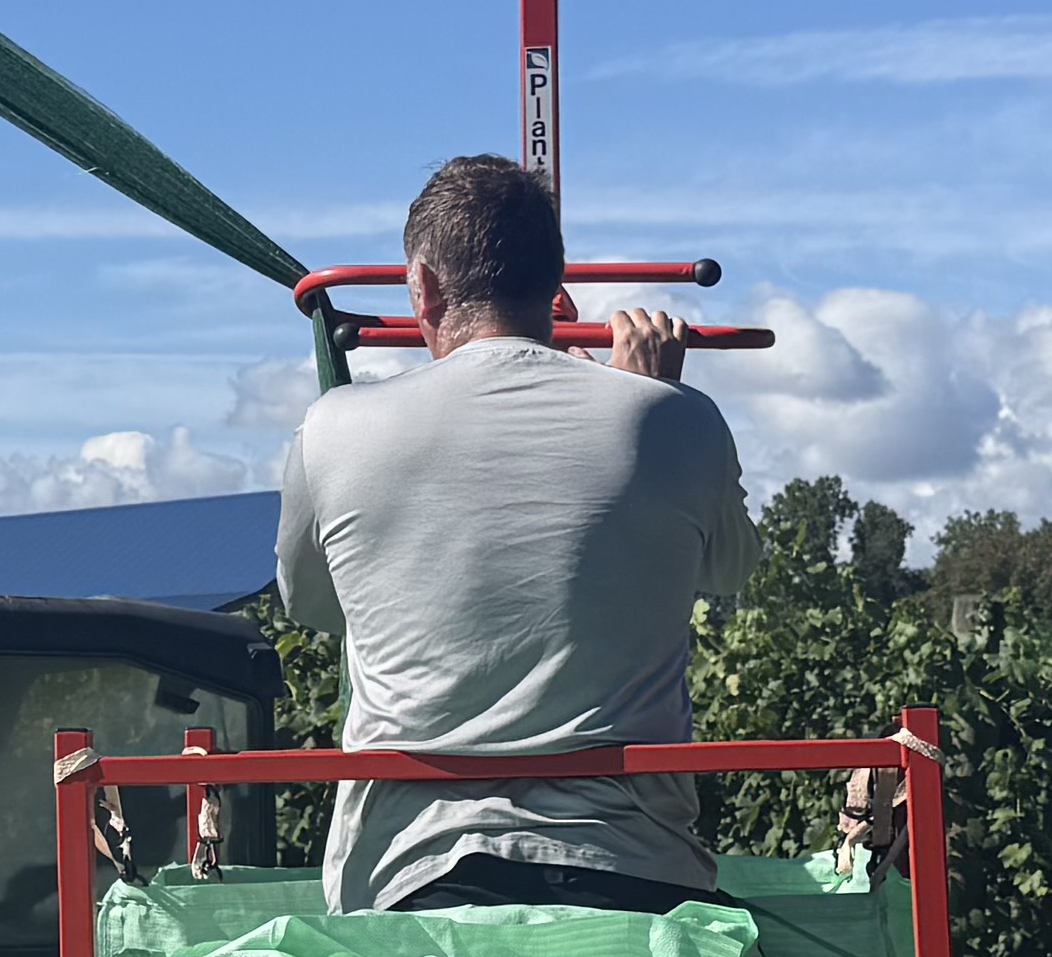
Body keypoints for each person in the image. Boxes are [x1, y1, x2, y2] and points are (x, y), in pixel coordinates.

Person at [276, 151, 754, 913]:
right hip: (635, 870)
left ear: (424, 287)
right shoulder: (674, 420)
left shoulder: (333, 428)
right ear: (555, 286)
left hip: (407, 875)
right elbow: (730, 570)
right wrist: (649, 397)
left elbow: (314, 606)